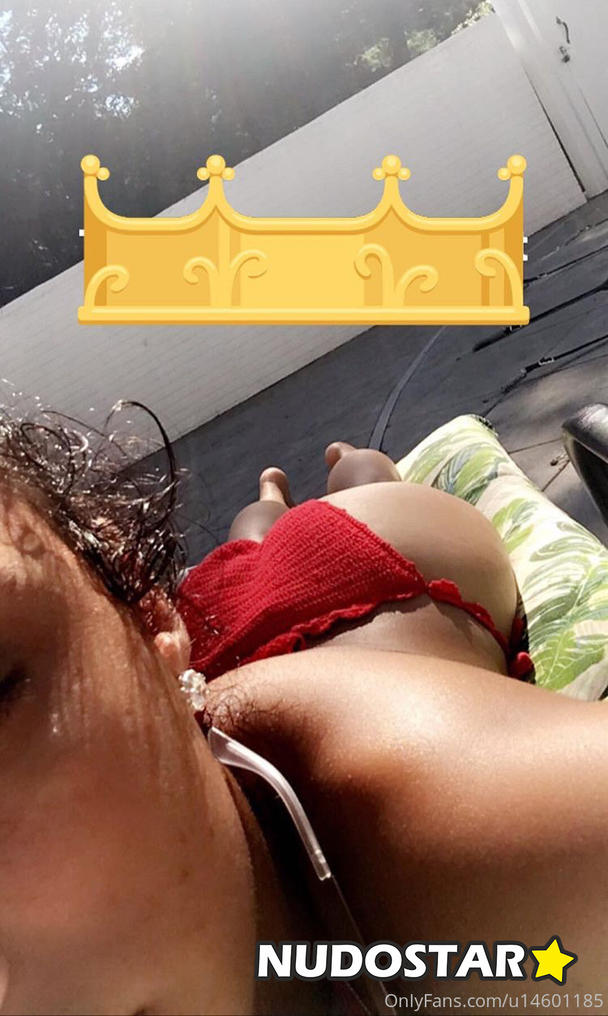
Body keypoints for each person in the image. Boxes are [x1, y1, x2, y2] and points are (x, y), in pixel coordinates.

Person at [0, 406, 607, 1016]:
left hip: (368, 573)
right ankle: (274, 493)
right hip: (220, 643)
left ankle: (338, 463)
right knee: (249, 537)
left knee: (363, 482)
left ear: (145, 613)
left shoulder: (477, 826)